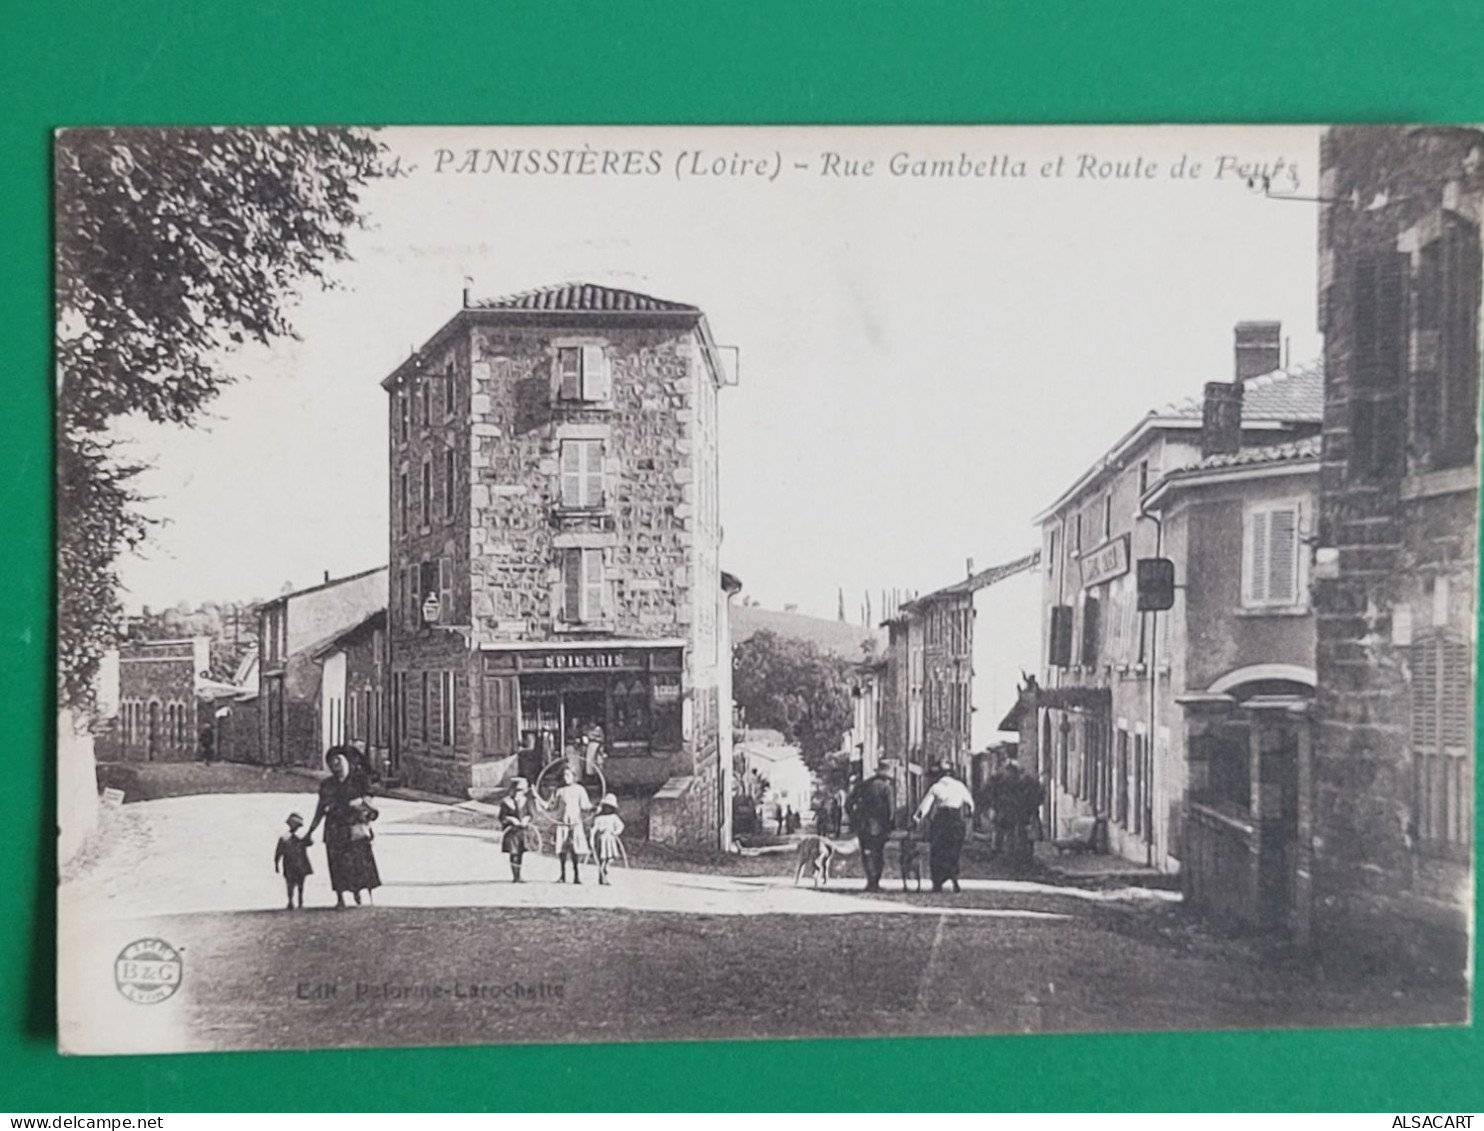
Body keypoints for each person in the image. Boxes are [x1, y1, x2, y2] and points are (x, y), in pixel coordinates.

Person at [306, 745, 382, 909]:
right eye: (332, 762)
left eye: (339, 761)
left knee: (359, 862)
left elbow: (372, 808)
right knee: (337, 864)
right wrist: (310, 831)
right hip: (334, 829)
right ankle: (340, 897)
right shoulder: (327, 785)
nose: (336, 765)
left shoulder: (359, 782)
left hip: (355, 828)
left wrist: (361, 805)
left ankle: (360, 892)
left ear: (348, 762)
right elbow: (320, 810)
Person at [913, 761, 975, 893]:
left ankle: (937, 883)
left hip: (941, 822)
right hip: (956, 821)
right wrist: (968, 817)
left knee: (938, 851)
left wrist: (917, 819)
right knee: (954, 851)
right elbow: (970, 804)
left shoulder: (936, 787)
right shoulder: (960, 786)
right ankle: (954, 879)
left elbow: (925, 806)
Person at [846, 765, 895, 892]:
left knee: (866, 853)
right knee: (877, 853)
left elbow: (848, 803)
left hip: (863, 824)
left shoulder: (862, 786)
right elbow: (891, 809)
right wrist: (890, 824)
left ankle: (870, 881)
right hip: (880, 825)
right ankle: (875, 882)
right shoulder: (886, 787)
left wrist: (854, 818)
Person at [548, 766, 592, 884]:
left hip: (574, 823)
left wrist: (595, 808)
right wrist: (538, 800)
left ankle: (577, 876)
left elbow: (585, 806)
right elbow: (551, 806)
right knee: (562, 850)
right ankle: (562, 875)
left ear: (573, 776)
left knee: (575, 849)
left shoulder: (579, 789)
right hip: (562, 823)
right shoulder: (559, 791)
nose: (565, 777)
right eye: (564, 775)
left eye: (568, 775)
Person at [499, 777, 536, 882]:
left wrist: (526, 819)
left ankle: (519, 874)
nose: (518, 793)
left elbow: (532, 814)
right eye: (517, 790)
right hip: (511, 832)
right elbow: (501, 817)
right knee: (513, 852)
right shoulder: (506, 802)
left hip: (522, 831)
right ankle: (515, 876)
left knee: (520, 852)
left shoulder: (526, 801)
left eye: (521, 791)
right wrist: (510, 819)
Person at [273, 812, 313, 910]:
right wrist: (276, 864)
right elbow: (279, 852)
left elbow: (310, 843)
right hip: (294, 863)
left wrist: (277, 864)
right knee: (293, 884)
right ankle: (294, 901)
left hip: (297, 863)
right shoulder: (288, 837)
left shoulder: (292, 837)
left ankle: (297, 901)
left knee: (297, 883)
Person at [590, 792, 625, 886]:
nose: (607, 809)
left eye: (609, 807)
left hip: (610, 840)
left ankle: (605, 871)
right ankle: (602, 877)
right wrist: (591, 840)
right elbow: (593, 829)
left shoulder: (614, 818)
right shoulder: (599, 818)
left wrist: (615, 832)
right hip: (601, 840)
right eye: (606, 806)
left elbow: (620, 826)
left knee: (609, 859)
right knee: (602, 858)